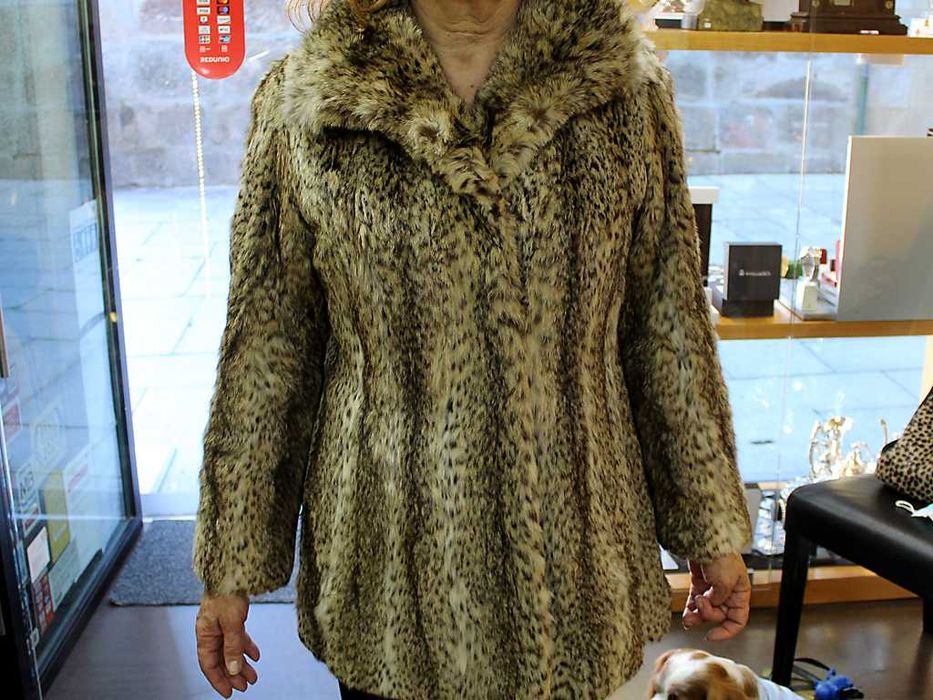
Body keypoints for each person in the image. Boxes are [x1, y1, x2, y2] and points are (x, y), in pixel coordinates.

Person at [191, 0, 754, 698]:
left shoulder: (620, 90)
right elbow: (267, 346)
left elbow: (667, 327)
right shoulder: (311, 100)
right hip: (391, 576)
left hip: (573, 569)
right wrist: (230, 566)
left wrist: (708, 525)